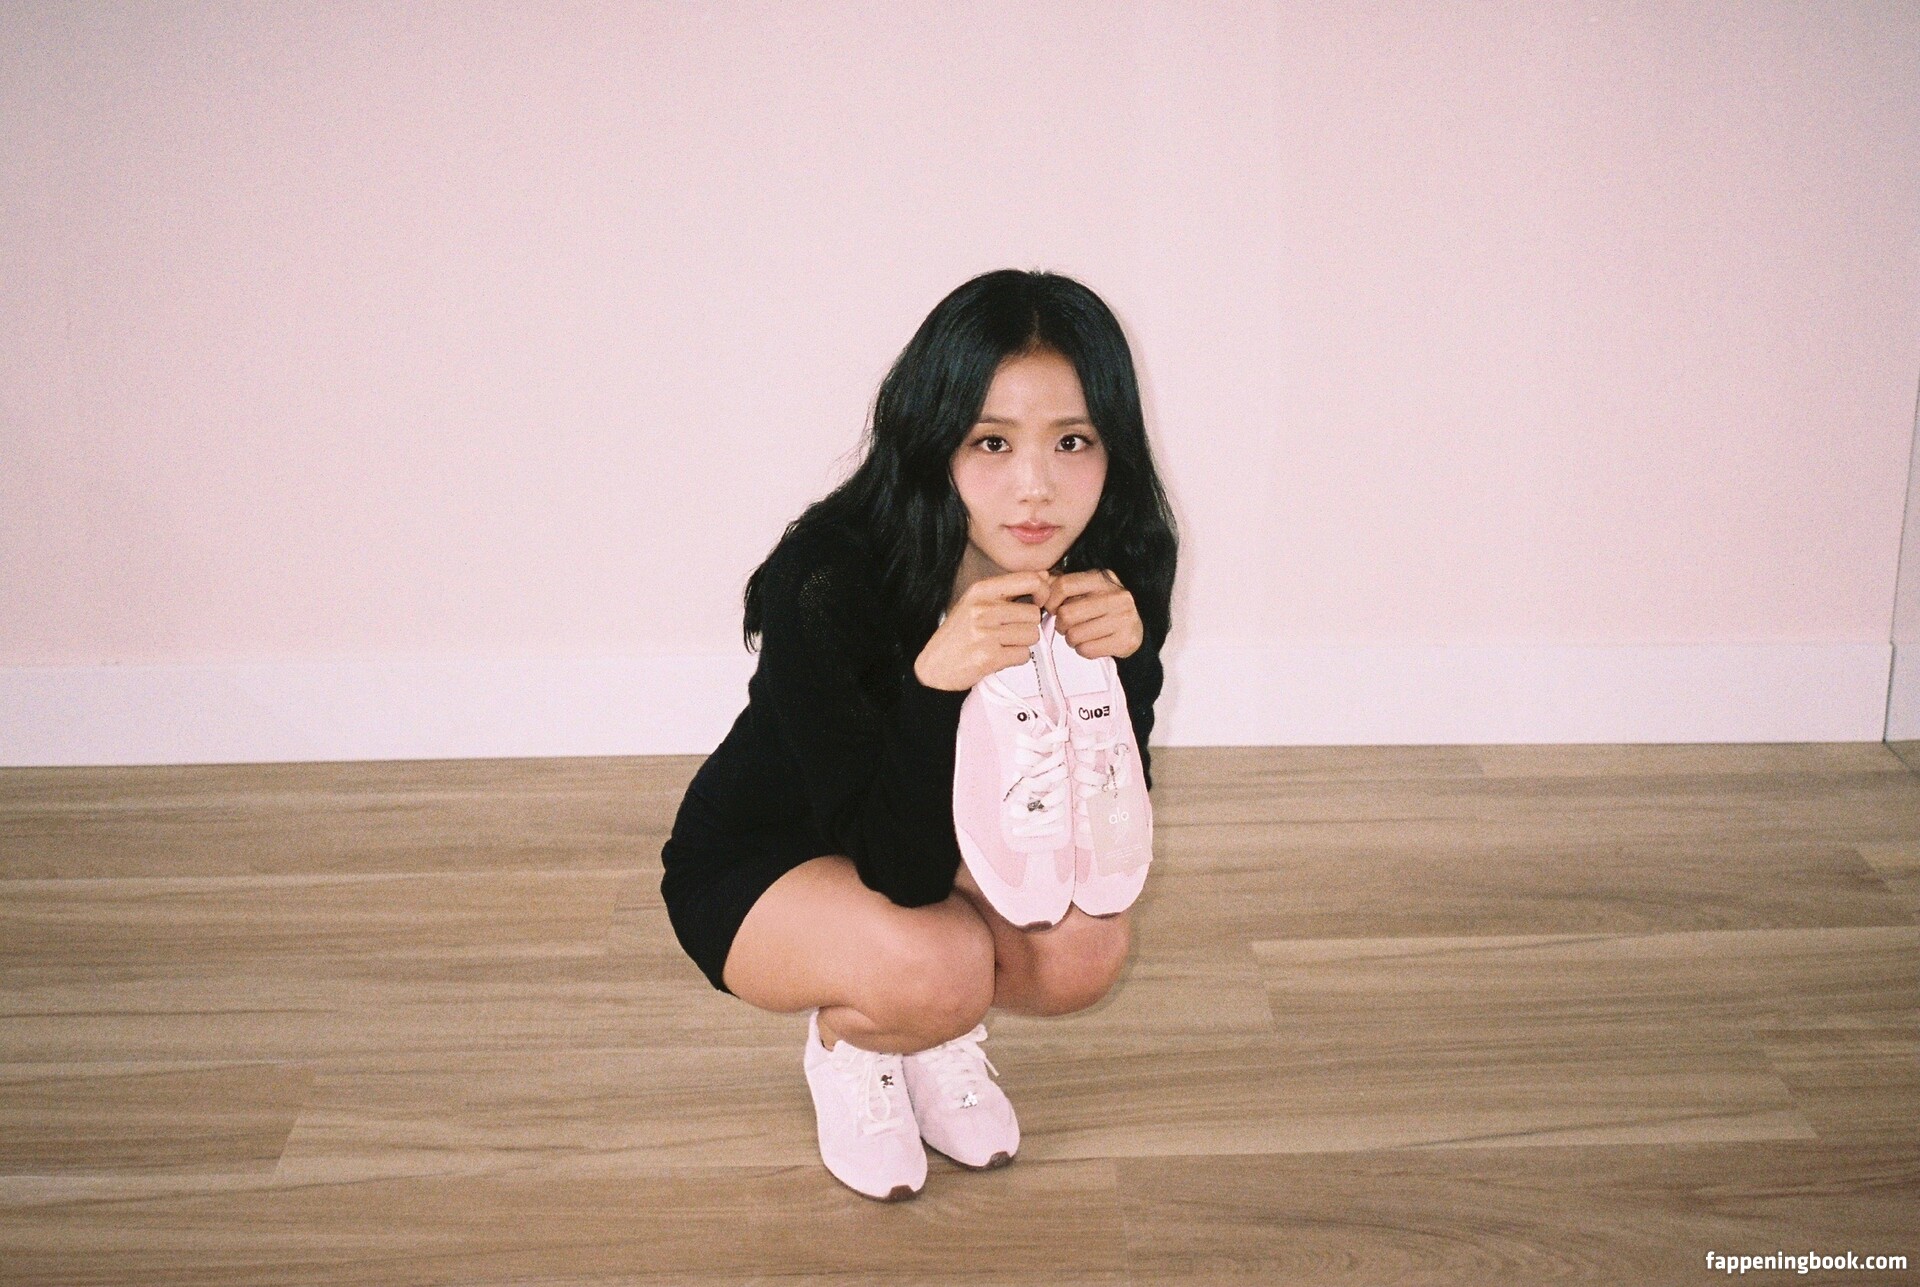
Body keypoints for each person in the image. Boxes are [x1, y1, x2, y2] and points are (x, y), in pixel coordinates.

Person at [658, 267, 1178, 1201]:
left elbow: (1101, 816)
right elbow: (896, 864)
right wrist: (936, 683)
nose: (1035, 488)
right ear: (935, 438)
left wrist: (1127, 666)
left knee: (1085, 948)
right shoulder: (830, 574)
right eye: (991, 441)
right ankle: (858, 1042)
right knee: (941, 965)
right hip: (767, 857)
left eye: (1072, 441)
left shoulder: (1119, 559)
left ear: (1114, 445)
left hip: (943, 840)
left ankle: (931, 1034)